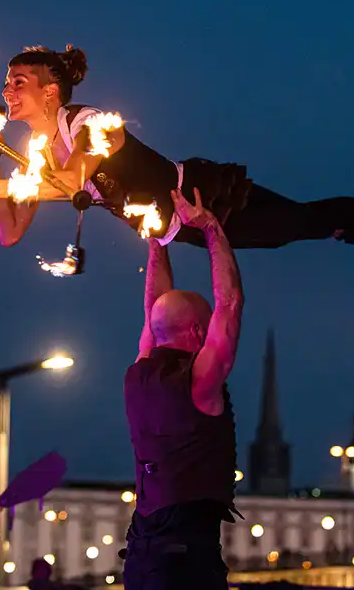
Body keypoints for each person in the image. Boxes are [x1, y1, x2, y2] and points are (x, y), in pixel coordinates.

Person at [0, 44, 354, 260]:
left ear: (50, 90)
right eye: (7, 81)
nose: (7, 89)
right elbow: (10, 232)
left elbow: (75, 183)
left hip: (202, 197)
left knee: (296, 224)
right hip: (179, 227)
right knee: (297, 226)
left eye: (19, 81)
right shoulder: (40, 157)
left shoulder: (89, 124)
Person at [119, 186, 243, 590]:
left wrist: (158, 239)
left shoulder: (138, 373)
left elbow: (154, 306)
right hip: (186, 562)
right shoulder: (199, 382)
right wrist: (210, 228)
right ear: (196, 330)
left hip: (141, 557)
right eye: (206, 330)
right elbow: (230, 303)